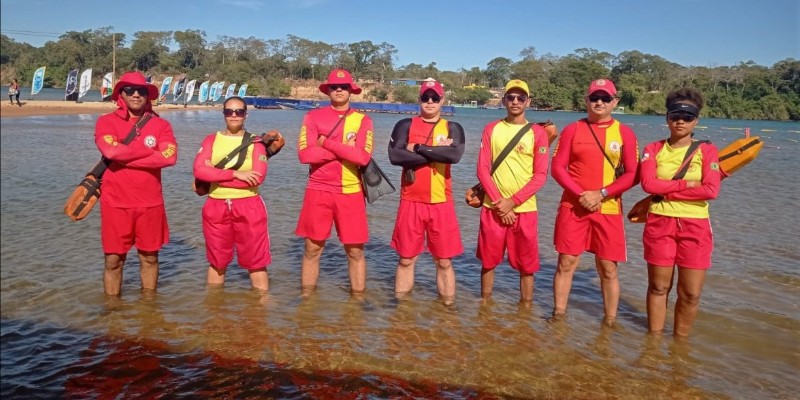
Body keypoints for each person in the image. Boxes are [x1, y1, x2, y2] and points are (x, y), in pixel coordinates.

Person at [551, 78, 639, 323]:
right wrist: (581, 194)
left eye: (605, 98)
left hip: (608, 207)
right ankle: (558, 316)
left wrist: (600, 194)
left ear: (615, 102)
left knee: (608, 268)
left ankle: (609, 321)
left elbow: (633, 174)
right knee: (566, 262)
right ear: (586, 100)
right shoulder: (572, 130)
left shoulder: (624, 133)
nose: (599, 102)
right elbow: (558, 168)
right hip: (573, 206)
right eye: (594, 98)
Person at [640, 88, 721, 337]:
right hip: (660, 222)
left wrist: (667, 191)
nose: (681, 121)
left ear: (696, 120)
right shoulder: (653, 149)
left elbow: (711, 190)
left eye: (688, 116)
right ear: (667, 117)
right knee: (658, 287)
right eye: (675, 115)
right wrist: (687, 185)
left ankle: (680, 346)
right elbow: (648, 185)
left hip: (695, 225)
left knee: (691, 294)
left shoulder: (707, 151)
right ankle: (653, 343)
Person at [94, 71, 178, 296]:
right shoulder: (106, 122)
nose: (136, 94)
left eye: (141, 90)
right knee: (113, 261)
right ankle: (112, 314)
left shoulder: (161, 125)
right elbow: (110, 150)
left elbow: (169, 157)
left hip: (150, 204)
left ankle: (149, 311)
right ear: (120, 93)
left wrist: (124, 156)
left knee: (150, 258)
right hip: (115, 203)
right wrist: (148, 152)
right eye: (129, 90)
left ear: (148, 95)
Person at [295, 69, 374, 295]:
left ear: (351, 91)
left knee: (355, 251)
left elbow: (362, 157)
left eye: (344, 87)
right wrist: (344, 150)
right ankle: (307, 298)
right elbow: (304, 155)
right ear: (328, 90)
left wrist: (326, 144)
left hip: (350, 191)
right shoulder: (313, 117)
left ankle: (357, 300)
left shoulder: (363, 120)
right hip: (318, 190)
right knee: (312, 249)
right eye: (334, 87)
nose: (339, 90)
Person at [387, 80, 466, 305]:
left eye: (434, 98)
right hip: (410, 201)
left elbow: (454, 156)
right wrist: (437, 152)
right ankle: (401, 309)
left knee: (443, 261)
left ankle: (448, 309)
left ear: (442, 100)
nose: (429, 102)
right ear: (419, 100)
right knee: (406, 259)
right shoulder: (405, 125)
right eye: (425, 98)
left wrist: (418, 148)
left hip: (441, 203)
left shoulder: (453, 128)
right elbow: (395, 157)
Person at [476, 79, 550, 304]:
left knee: (527, 267)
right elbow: (482, 169)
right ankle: (485, 309)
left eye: (520, 98)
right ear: (504, 100)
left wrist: (513, 202)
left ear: (528, 101)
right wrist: (500, 203)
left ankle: (525, 310)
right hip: (493, 209)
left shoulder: (538, 133)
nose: (515, 102)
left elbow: (540, 176)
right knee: (488, 263)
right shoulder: (492, 129)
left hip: (525, 210)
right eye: (511, 97)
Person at [193, 96, 278, 292]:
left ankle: (260, 311)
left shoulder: (256, 142)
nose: (234, 115)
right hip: (215, 205)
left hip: (249, 205)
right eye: (229, 111)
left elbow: (257, 178)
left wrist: (214, 173)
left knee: (256, 261)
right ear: (223, 114)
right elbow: (199, 171)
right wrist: (236, 174)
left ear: (245, 115)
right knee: (217, 261)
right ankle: (214, 309)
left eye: (239, 111)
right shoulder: (211, 140)